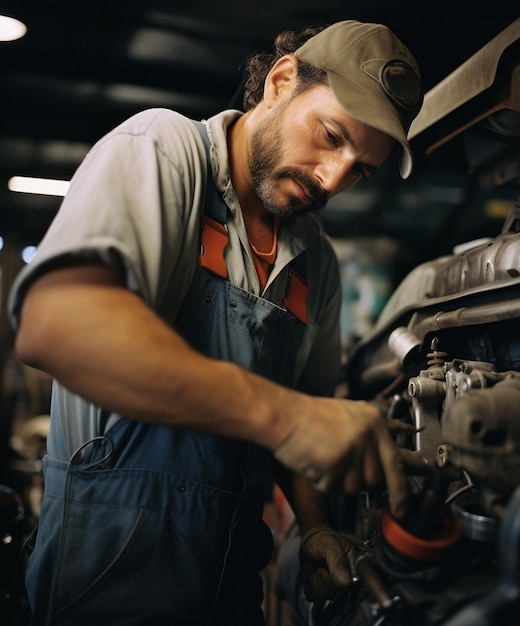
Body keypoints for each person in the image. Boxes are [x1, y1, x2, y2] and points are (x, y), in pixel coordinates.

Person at [8, 19, 423, 626]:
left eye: (360, 169)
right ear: (281, 82)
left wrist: (314, 526)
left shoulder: (317, 260)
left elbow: (311, 412)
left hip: (230, 586)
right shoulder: (164, 150)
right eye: (331, 135)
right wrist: (287, 417)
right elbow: (56, 324)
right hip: (102, 583)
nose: (334, 178)